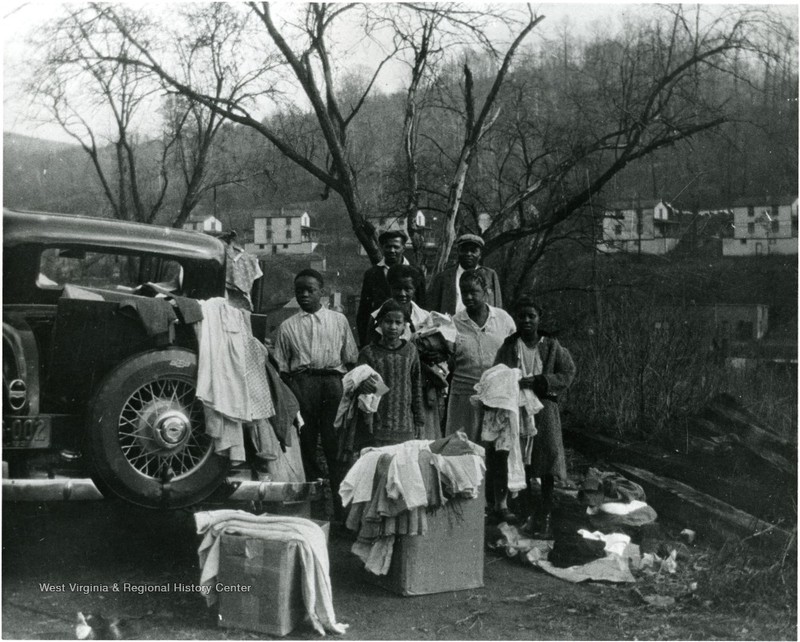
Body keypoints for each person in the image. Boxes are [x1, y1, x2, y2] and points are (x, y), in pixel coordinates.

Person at [272, 268, 358, 521]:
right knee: (307, 447)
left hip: (333, 385)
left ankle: (343, 516)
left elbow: (350, 358)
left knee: (336, 447)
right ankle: (315, 512)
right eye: (300, 291)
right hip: (302, 385)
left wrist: (346, 390)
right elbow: (282, 367)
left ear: (322, 291)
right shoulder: (287, 327)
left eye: (311, 290)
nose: (305, 295)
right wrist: (295, 393)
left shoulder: (338, 321)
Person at [493, 295, 576, 537]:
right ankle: (527, 511)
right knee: (522, 459)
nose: (527, 320)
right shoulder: (509, 346)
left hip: (544, 407)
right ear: (516, 319)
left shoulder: (550, 345)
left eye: (532, 316)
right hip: (517, 408)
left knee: (547, 458)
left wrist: (542, 381)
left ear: (539, 318)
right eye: (522, 316)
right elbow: (496, 373)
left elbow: (568, 371)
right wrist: (511, 381)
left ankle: (546, 515)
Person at [445, 268, 516, 442]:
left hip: (497, 396)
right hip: (463, 397)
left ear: (485, 293)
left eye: (473, 292)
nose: (468, 297)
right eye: (464, 293)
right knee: (461, 447)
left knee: (494, 449)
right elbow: (448, 361)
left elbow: (515, 355)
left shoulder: (503, 319)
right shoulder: (454, 323)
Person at [355, 299, 426, 447]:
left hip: (405, 424)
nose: (393, 327)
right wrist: (364, 386)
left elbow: (416, 386)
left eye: (398, 323)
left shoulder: (410, 351)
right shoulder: (368, 353)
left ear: (404, 325)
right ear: (380, 323)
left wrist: (419, 421)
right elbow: (357, 386)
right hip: (377, 424)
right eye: (388, 322)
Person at [356, 230, 426, 346]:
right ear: (382, 248)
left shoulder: (416, 271)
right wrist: (365, 342)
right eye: (388, 247)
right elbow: (364, 310)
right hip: (381, 333)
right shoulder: (372, 273)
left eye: (396, 247)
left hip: (411, 330)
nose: (392, 250)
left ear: (403, 248)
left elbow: (422, 303)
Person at [427, 233, 502, 315]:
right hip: (452, 325)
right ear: (458, 252)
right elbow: (433, 310)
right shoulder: (444, 277)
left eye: (473, 251)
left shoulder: (490, 275)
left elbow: (497, 306)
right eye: (464, 250)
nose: (468, 254)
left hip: (483, 325)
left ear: (480, 254)